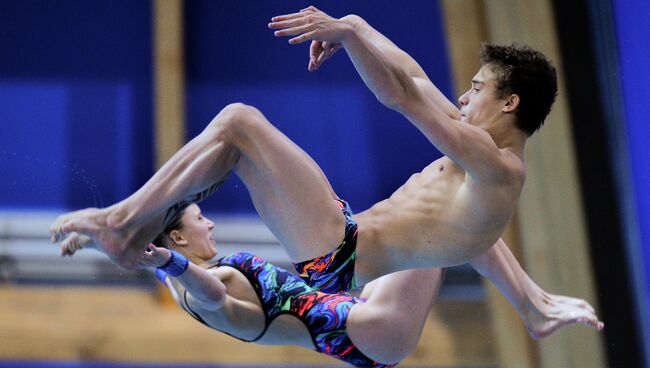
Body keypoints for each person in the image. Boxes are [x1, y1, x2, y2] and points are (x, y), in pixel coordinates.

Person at [50, 6, 594, 314]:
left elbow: (403, 95)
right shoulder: (478, 165)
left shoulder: (499, 169)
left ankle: (121, 222)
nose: (462, 98)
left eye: (475, 89)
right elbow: (417, 79)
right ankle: (130, 228)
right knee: (231, 144)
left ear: (509, 103)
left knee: (241, 119)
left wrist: (352, 33)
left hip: (341, 254)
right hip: (341, 247)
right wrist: (351, 24)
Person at [61, 204, 602, 366]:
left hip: (361, 314)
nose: (211, 225)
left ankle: (532, 305)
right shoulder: (201, 287)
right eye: (200, 219)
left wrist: (96, 228)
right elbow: (209, 293)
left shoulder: (212, 272)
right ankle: (533, 308)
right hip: (370, 330)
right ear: (177, 237)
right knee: (454, 229)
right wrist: (161, 263)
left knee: (454, 227)